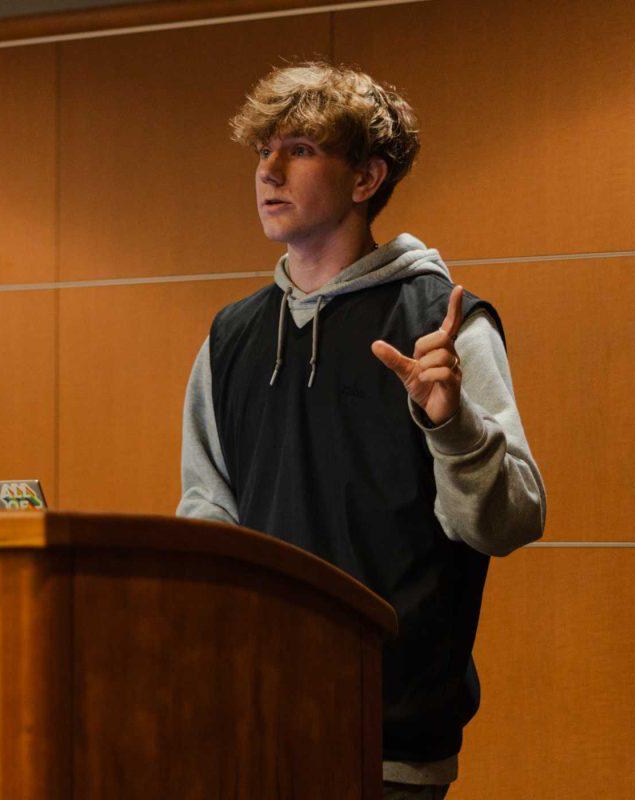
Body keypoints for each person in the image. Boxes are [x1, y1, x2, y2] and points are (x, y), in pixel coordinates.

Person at [176, 62, 546, 799]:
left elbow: (512, 519)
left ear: (366, 178)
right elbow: (207, 515)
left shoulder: (444, 324)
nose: (269, 170)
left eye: (302, 149)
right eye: (263, 151)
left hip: (390, 745)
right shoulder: (231, 338)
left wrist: (454, 427)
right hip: (253, 723)